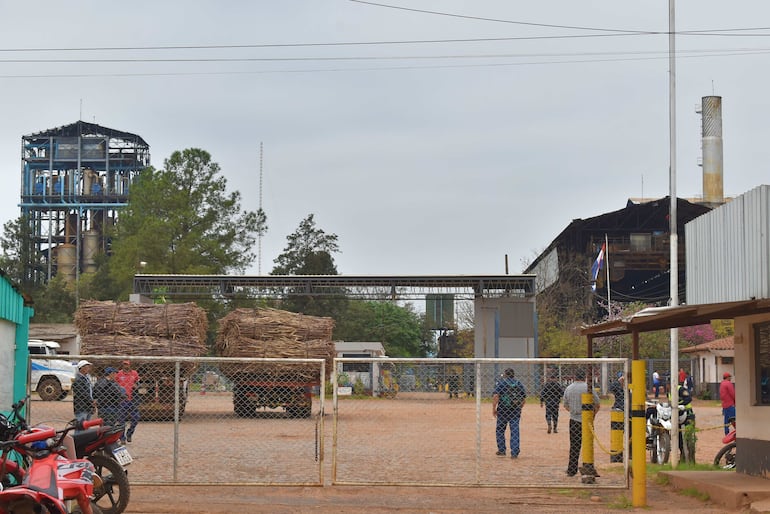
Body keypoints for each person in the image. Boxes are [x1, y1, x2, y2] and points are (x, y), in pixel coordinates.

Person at [563, 368, 600, 477]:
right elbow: (597, 404)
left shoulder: (569, 388)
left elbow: (565, 405)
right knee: (588, 444)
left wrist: (573, 411)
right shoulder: (588, 388)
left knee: (574, 445)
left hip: (574, 420)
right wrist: (592, 415)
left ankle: (572, 469)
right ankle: (588, 465)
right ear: (584, 377)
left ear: (574, 377)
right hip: (587, 419)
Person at [492, 368, 526, 458]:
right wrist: (519, 408)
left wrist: (494, 408)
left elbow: (496, 396)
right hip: (515, 411)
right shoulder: (519, 383)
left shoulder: (501, 383)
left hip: (503, 410)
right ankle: (514, 452)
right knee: (515, 431)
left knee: (500, 430)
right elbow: (523, 398)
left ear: (505, 374)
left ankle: (502, 449)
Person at [116, 360, 140, 443]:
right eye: (124, 364)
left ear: (130, 365)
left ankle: (129, 433)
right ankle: (122, 438)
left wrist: (136, 386)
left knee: (136, 418)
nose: (125, 366)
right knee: (121, 420)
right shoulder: (118, 374)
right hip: (122, 400)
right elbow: (115, 384)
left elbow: (138, 383)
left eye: (127, 364)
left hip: (132, 400)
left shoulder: (134, 373)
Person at [720, 371, 736, 436]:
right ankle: (738, 431)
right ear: (728, 377)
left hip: (724, 404)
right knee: (734, 418)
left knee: (726, 420)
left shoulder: (722, 384)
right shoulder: (729, 384)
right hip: (730, 404)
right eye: (730, 377)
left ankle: (726, 433)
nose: (730, 378)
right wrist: (736, 401)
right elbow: (733, 393)